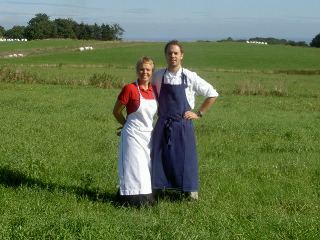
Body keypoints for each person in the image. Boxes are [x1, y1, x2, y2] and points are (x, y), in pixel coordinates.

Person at [151, 40, 219, 200]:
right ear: (165, 55)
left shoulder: (190, 77)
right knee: (160, 156)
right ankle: (158, 187)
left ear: (182, 55)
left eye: (175, 53)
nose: (172, 56)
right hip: (163, 124)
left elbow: (212, 93)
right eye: (169, 53)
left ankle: (189, 190)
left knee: (185, 157)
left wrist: (199, 113)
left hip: (182, 125)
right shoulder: (158, 76)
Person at [113, 56, 157, 207]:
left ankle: (146, 198)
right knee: (133, 167)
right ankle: (130, 200)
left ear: (152, 71)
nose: (145, 72)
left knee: (146, 168)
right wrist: (126, 125)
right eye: (142, 69)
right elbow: (116, 111)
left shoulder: (154, 91)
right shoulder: (129, 89)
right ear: (137, 70)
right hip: (132, 135)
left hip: (149, 135)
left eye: (148, 69)